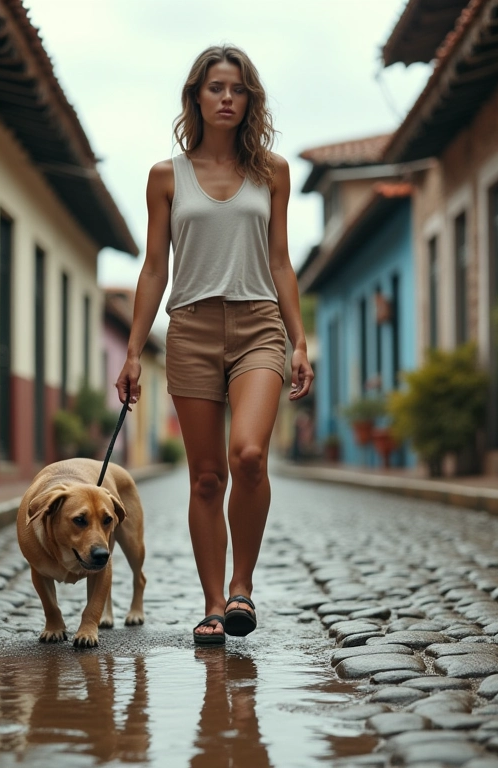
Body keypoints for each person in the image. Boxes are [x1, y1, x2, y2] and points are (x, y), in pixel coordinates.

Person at [116, 44, 313, 645]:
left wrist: (298, 340)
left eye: (238, 89)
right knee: (205, 477)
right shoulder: (165, 177)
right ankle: (212, 604)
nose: (227, 98)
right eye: (216, 88)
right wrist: (132, 351)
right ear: (196, 98)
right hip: (191, 329)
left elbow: (280, 261)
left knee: (248, 455)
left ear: (250, 100)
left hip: (259, 326)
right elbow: (155, 267)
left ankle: (241, 587)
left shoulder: (271, 172)